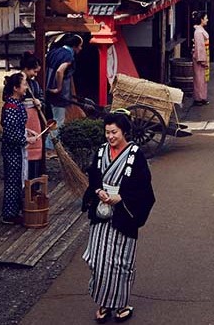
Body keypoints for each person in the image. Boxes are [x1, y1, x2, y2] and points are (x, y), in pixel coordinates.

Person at [82, 112, 156, 323]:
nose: (110, 137)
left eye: (114, 132)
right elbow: (93, 176)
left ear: (124, 132)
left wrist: (121, 196)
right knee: (98, 260)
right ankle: (104, 302)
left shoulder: (135, 154)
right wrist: (98, 192)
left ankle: (122, 303)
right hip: (101, 213)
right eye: (107, 132)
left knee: (119, 262)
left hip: (124, 213)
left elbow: (143, 185)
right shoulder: (101, 151)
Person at [0, 72, 34, 225]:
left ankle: (17, 209)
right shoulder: (10, 108)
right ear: (15, 88)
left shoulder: (18, 103)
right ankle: (9, 214)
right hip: (12, 151)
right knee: (13, 181)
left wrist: (27, 132)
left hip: (18, 150)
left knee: (19, 179)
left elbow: (18, 127)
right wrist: (26, 139)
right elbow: (10, 134)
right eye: (24, 84)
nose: (26, 87)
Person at [44, 34, 82, 149]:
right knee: (58, 121)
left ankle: (50, 144)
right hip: (58, 93)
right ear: (74, 46)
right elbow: (60, 71)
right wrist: (59, 87)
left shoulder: (54, 52)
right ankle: (51, 146)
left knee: (54, 117)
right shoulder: (68, 56)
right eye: (80, 46)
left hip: (48, 89)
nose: (80, 49)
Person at [20, 52, 47, 180]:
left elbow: (41, 97)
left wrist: (39, 102)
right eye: (34, 71)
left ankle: (34, 183)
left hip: (34, 118)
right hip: (22, 118)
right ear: (26, 68)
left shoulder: (34, 84)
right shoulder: (16, 80)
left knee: (35, 146)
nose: (35, 75)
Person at [191, 12, 210, 106]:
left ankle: (202, 97)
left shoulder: (199, 30)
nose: (207, 20)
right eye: (206, 18)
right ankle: (198, 98)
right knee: (199, 79)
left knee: (203, 78)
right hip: (200, 58)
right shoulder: (198, 32)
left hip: (204, 55)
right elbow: (200, 48)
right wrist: (202, 60)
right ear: (201, 20)